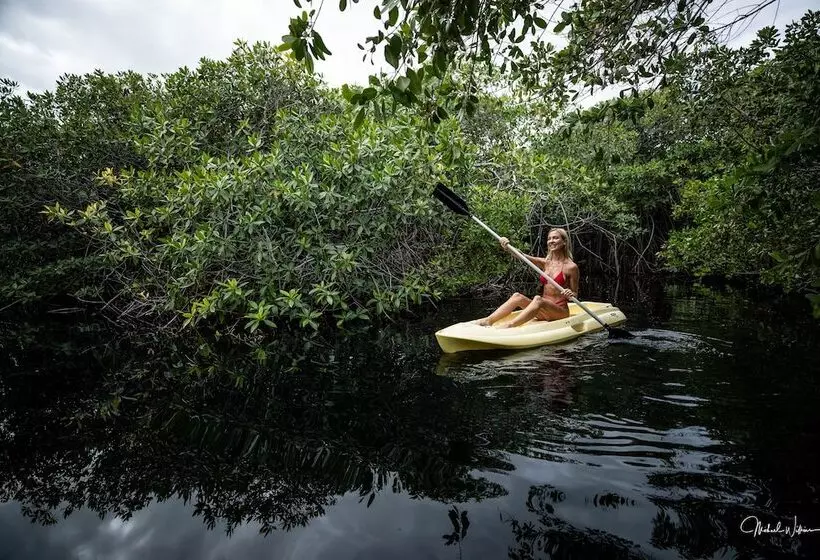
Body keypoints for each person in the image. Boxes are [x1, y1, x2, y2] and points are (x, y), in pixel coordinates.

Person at [477, 228, 579, 328]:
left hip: (559, 312)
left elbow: (575, 294)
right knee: (517, 296)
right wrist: (507, 246)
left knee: (538, 299)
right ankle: (488, 321)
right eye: (549, 238)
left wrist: (570, 293)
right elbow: (521, 256)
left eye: (555, 238)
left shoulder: (571, 267)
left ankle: (510, 326)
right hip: (543, 310)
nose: (551, 241)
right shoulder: (546, 263)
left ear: (564, 242)